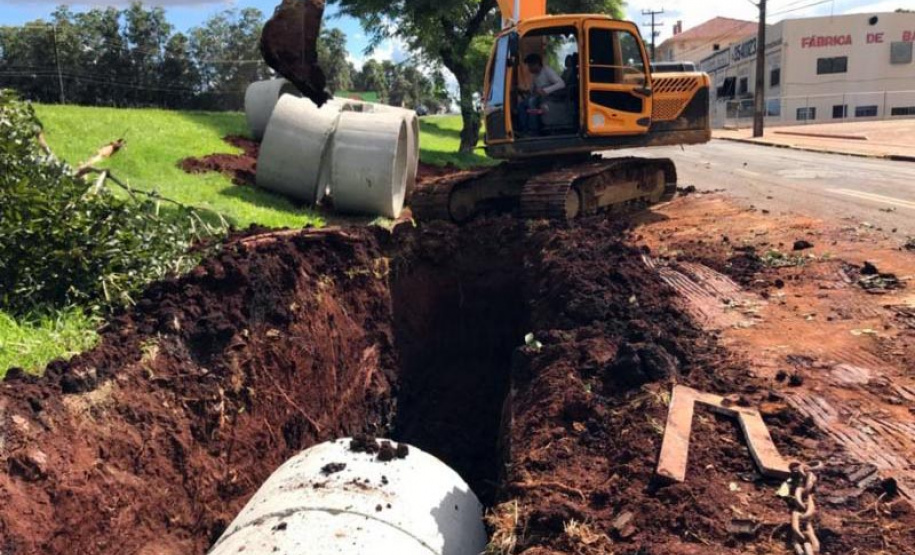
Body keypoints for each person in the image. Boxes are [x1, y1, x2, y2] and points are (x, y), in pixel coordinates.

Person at [518, 53, 565, 136]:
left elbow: (561, 84)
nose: (529, 68)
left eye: (530, 66)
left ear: (536, 64)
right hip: (538, 97)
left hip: (549, 97)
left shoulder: (547, 71)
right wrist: (524, 91)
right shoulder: (535, 76)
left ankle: (534, 130)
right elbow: (532, 90)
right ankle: (524, 129)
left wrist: (545, 90)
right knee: (521, 105)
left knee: (532, 102)